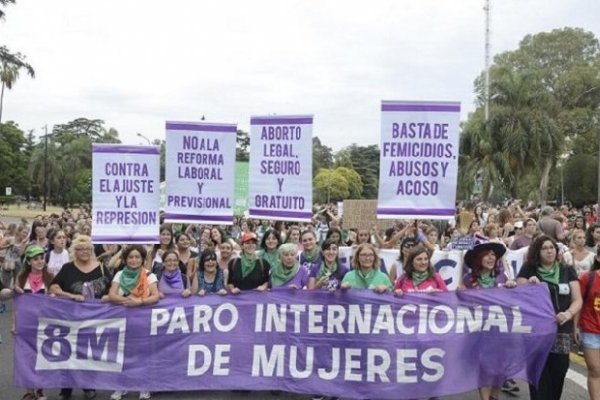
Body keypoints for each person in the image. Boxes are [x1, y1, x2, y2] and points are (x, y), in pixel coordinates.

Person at [517, 235, 582, 400]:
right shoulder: (528, 269)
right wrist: (529, 286)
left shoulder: (567, 270)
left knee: (558, 373)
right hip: (536, 332)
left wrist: (568, 314)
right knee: (539, 375)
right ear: (537, 252)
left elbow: (577, 299)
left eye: (552, 247)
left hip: (562, 330)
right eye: (544, 248)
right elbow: (519, 294)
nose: (549, 251)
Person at [50, 235, 112, 400]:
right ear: (74, 251)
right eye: (80, 249)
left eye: (88, 249)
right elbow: (54, 287)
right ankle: (66, 389)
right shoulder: (67, 268)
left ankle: (88, 385)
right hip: (71, 318)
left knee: (89, 353)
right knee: (68, 353)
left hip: (96, 319)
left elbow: (114, 288)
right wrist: (70, 295)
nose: (84, 252)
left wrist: (109, 296)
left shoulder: (102, 268)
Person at [461, 239, 516, 400]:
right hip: (479, 332)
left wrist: (512, 287)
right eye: (487, 255)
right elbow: (463, 304)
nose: (491, 258)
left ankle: (494, 397)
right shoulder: (468, 279)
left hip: (500, 331)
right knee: (483, 367)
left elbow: (512, 302)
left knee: (500, 369)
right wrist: (461, 293)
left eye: (494, 255)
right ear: (479, 258)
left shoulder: (502, 277)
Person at [109, 245, 159, 400]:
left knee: (143, 354)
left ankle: (143, 386)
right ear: (125, 259)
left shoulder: (149, 275)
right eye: (130, 257)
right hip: (123, 320)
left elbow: (155, 296)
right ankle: (121, 386)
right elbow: (112, 294)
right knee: (122, 353)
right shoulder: (119, 274)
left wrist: (140, 302)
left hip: (143, 320)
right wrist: (129, 300)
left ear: (143, 259)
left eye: (137, 257)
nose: (134, 260)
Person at [13, 245, 53, 400]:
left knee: (42, 356)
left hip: (44, 324)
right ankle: (29, 391)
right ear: (29, 261)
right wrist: (14, 324)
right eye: (35, 259)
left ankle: (41, 389)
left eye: (42, 258)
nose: (40, 261)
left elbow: (55, 300)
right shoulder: (21, 278)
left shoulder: (49, 277)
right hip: (25, 324)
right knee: (25, 357)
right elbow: (17, 304)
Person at [575, 252, 600, 399]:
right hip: (590, 329)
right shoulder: (587, 278)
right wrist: (575, 326)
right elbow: (578, 302)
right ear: (598, 257)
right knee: (595, 369)